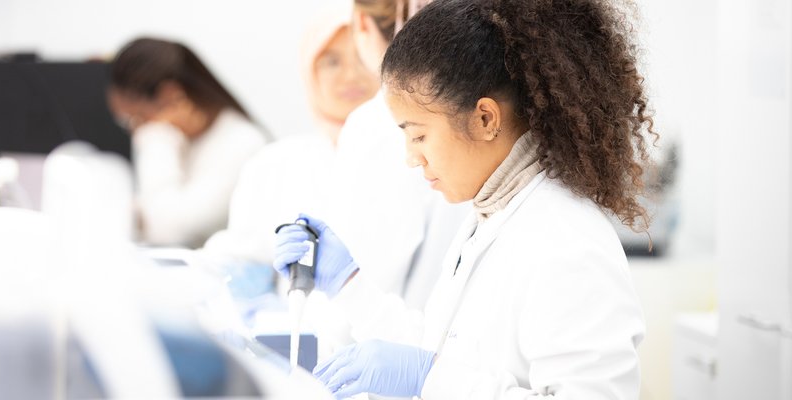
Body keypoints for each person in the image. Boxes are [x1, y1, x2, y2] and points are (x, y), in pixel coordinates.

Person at [274, 0, 654, 398]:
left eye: (419, 135)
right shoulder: (490, 216)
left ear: (485, 119)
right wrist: (348, 283)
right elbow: (445, 352)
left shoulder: (567, 242)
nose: (410, 157)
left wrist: (427, 380)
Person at [204, 0, 380, 267]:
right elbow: (240, 256)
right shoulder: (272, 164)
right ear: (309, 70)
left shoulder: (420, 161)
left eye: (362, 57)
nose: (351, 75)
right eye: (332, 62)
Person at [324, 0, 468, 309]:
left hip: (399, 335)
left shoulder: (373, 123)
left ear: (361, 22)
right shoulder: (478, 100)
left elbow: (370, 270)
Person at [108, 37, 268, 248]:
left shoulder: (243, 144)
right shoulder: (185, 140)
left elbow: (168, 232)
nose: (137, 132)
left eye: (134, 119)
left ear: (170, 95)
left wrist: (157, 137)